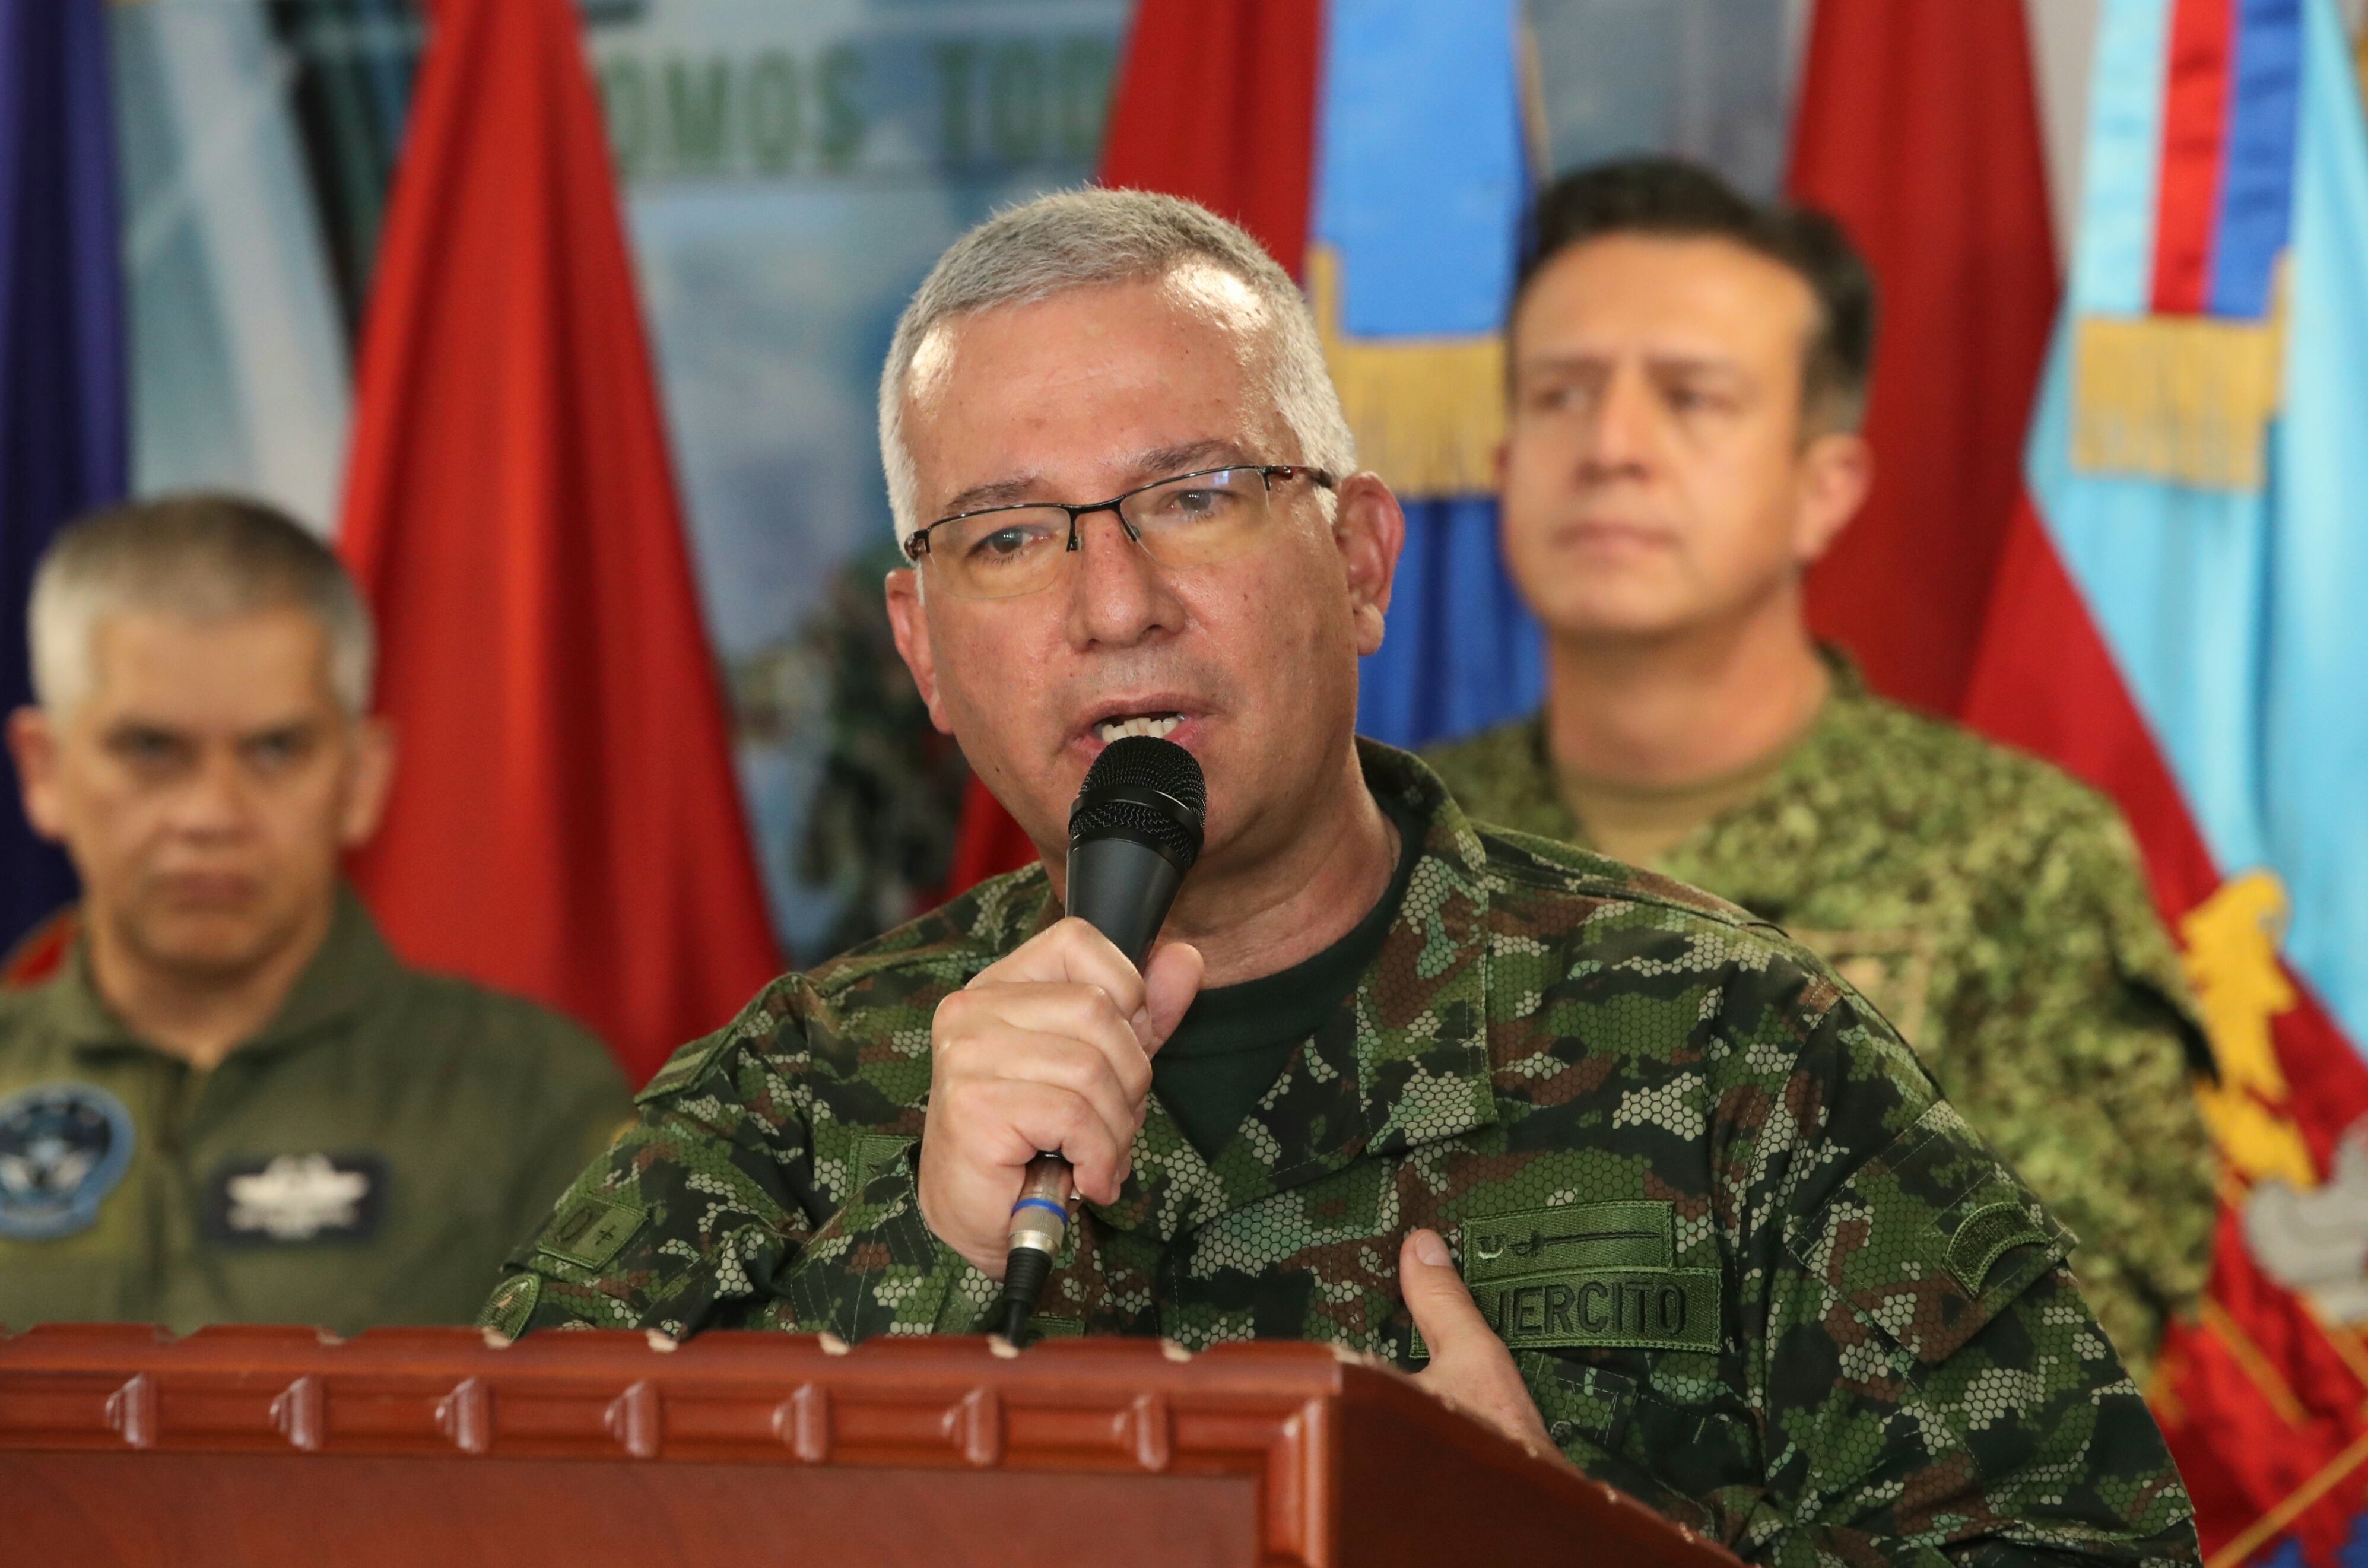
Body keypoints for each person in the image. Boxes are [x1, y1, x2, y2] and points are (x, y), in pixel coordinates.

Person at [484, 191, 2198, 1566]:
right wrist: (923, 1257)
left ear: (1359, 560)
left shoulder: (1737, 1053)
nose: (1113, 602)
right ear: (924, 655)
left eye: (1194, 494)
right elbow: (488, 1526)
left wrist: (1562, 1553)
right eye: (1008, 535)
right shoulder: (780, 1107)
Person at [1424, 158, 2217, 1386]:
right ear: (1505, 457)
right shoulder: (1385, 845)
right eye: (1562, 394)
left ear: (1822, 486)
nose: (1613, 447)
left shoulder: (2015, 855)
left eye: (1691, 398)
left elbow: (2063, 1363)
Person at [0, 494, 631, 1334]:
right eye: (151, 749)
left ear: (362, 777)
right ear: (44, 770)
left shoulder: (528, 1096)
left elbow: (604, 1448)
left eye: (275, 749)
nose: (211, 813)